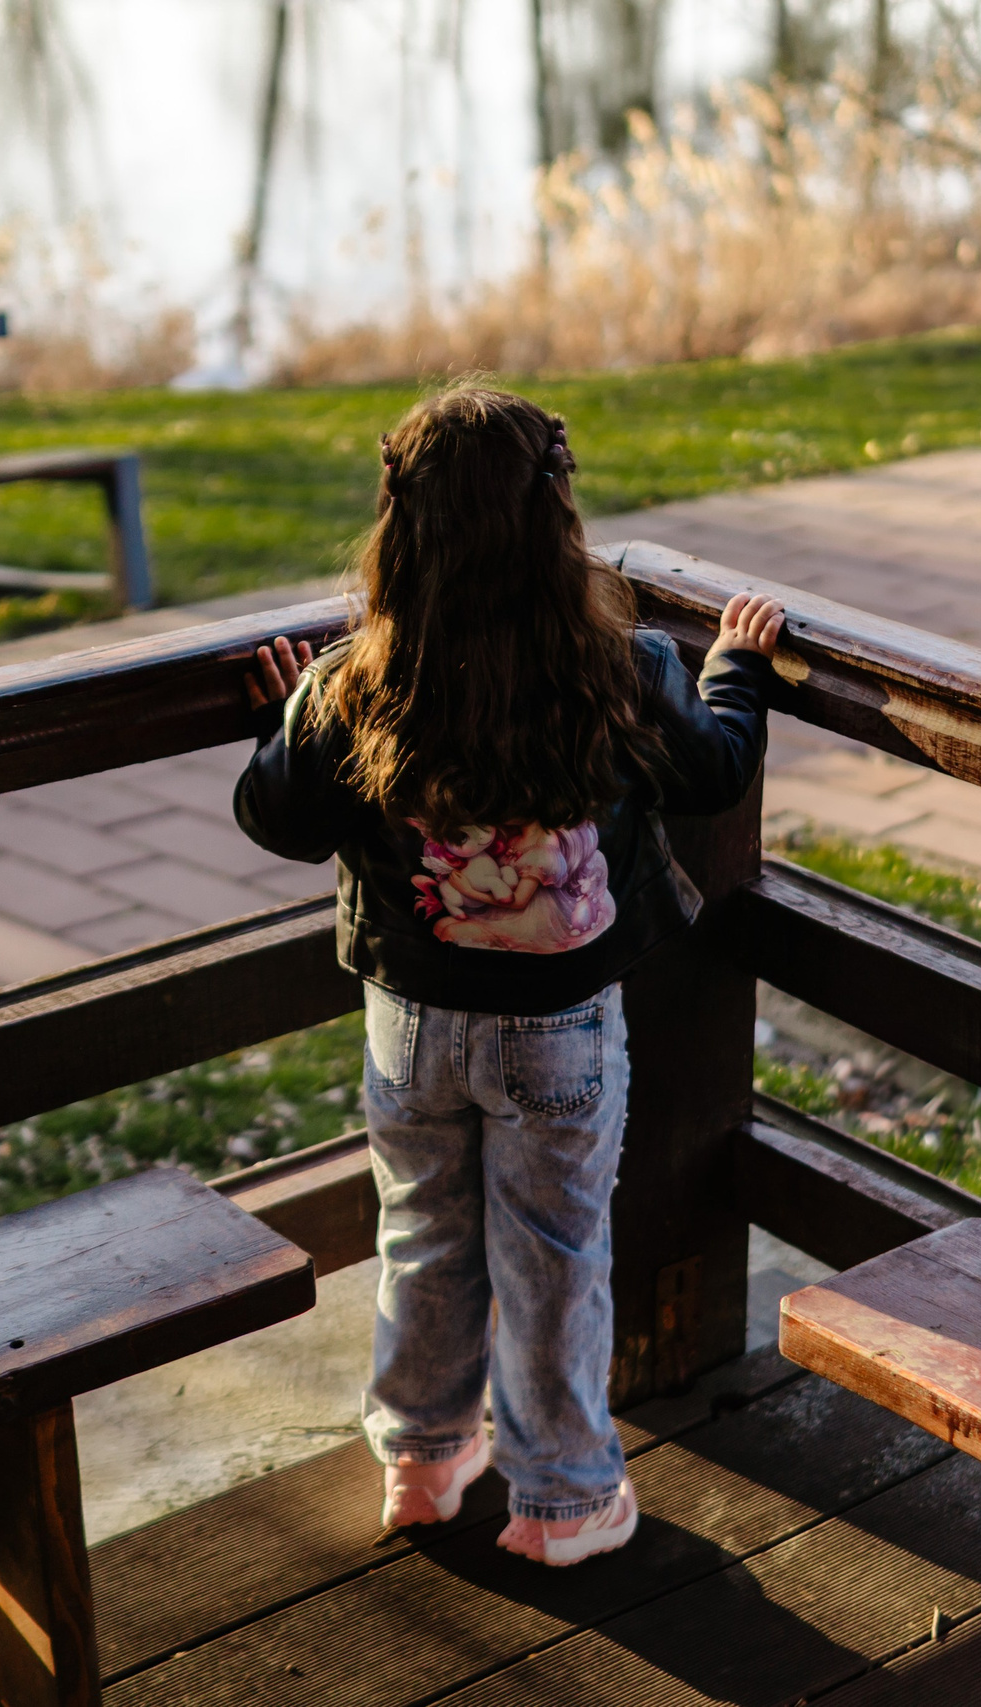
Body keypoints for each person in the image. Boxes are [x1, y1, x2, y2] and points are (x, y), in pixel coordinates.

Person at [233, 382, 784, 1566]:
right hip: (560, 1032)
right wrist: (733, 667)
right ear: (557, 522)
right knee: (554, 1254)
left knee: (423, 1234)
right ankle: (565, 1501)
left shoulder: (355, 683)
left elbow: (278, 816)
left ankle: (425, 1463)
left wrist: (288, 712)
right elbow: (711, 774)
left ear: (397, 528)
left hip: (412, 1026)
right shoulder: (622, 666)